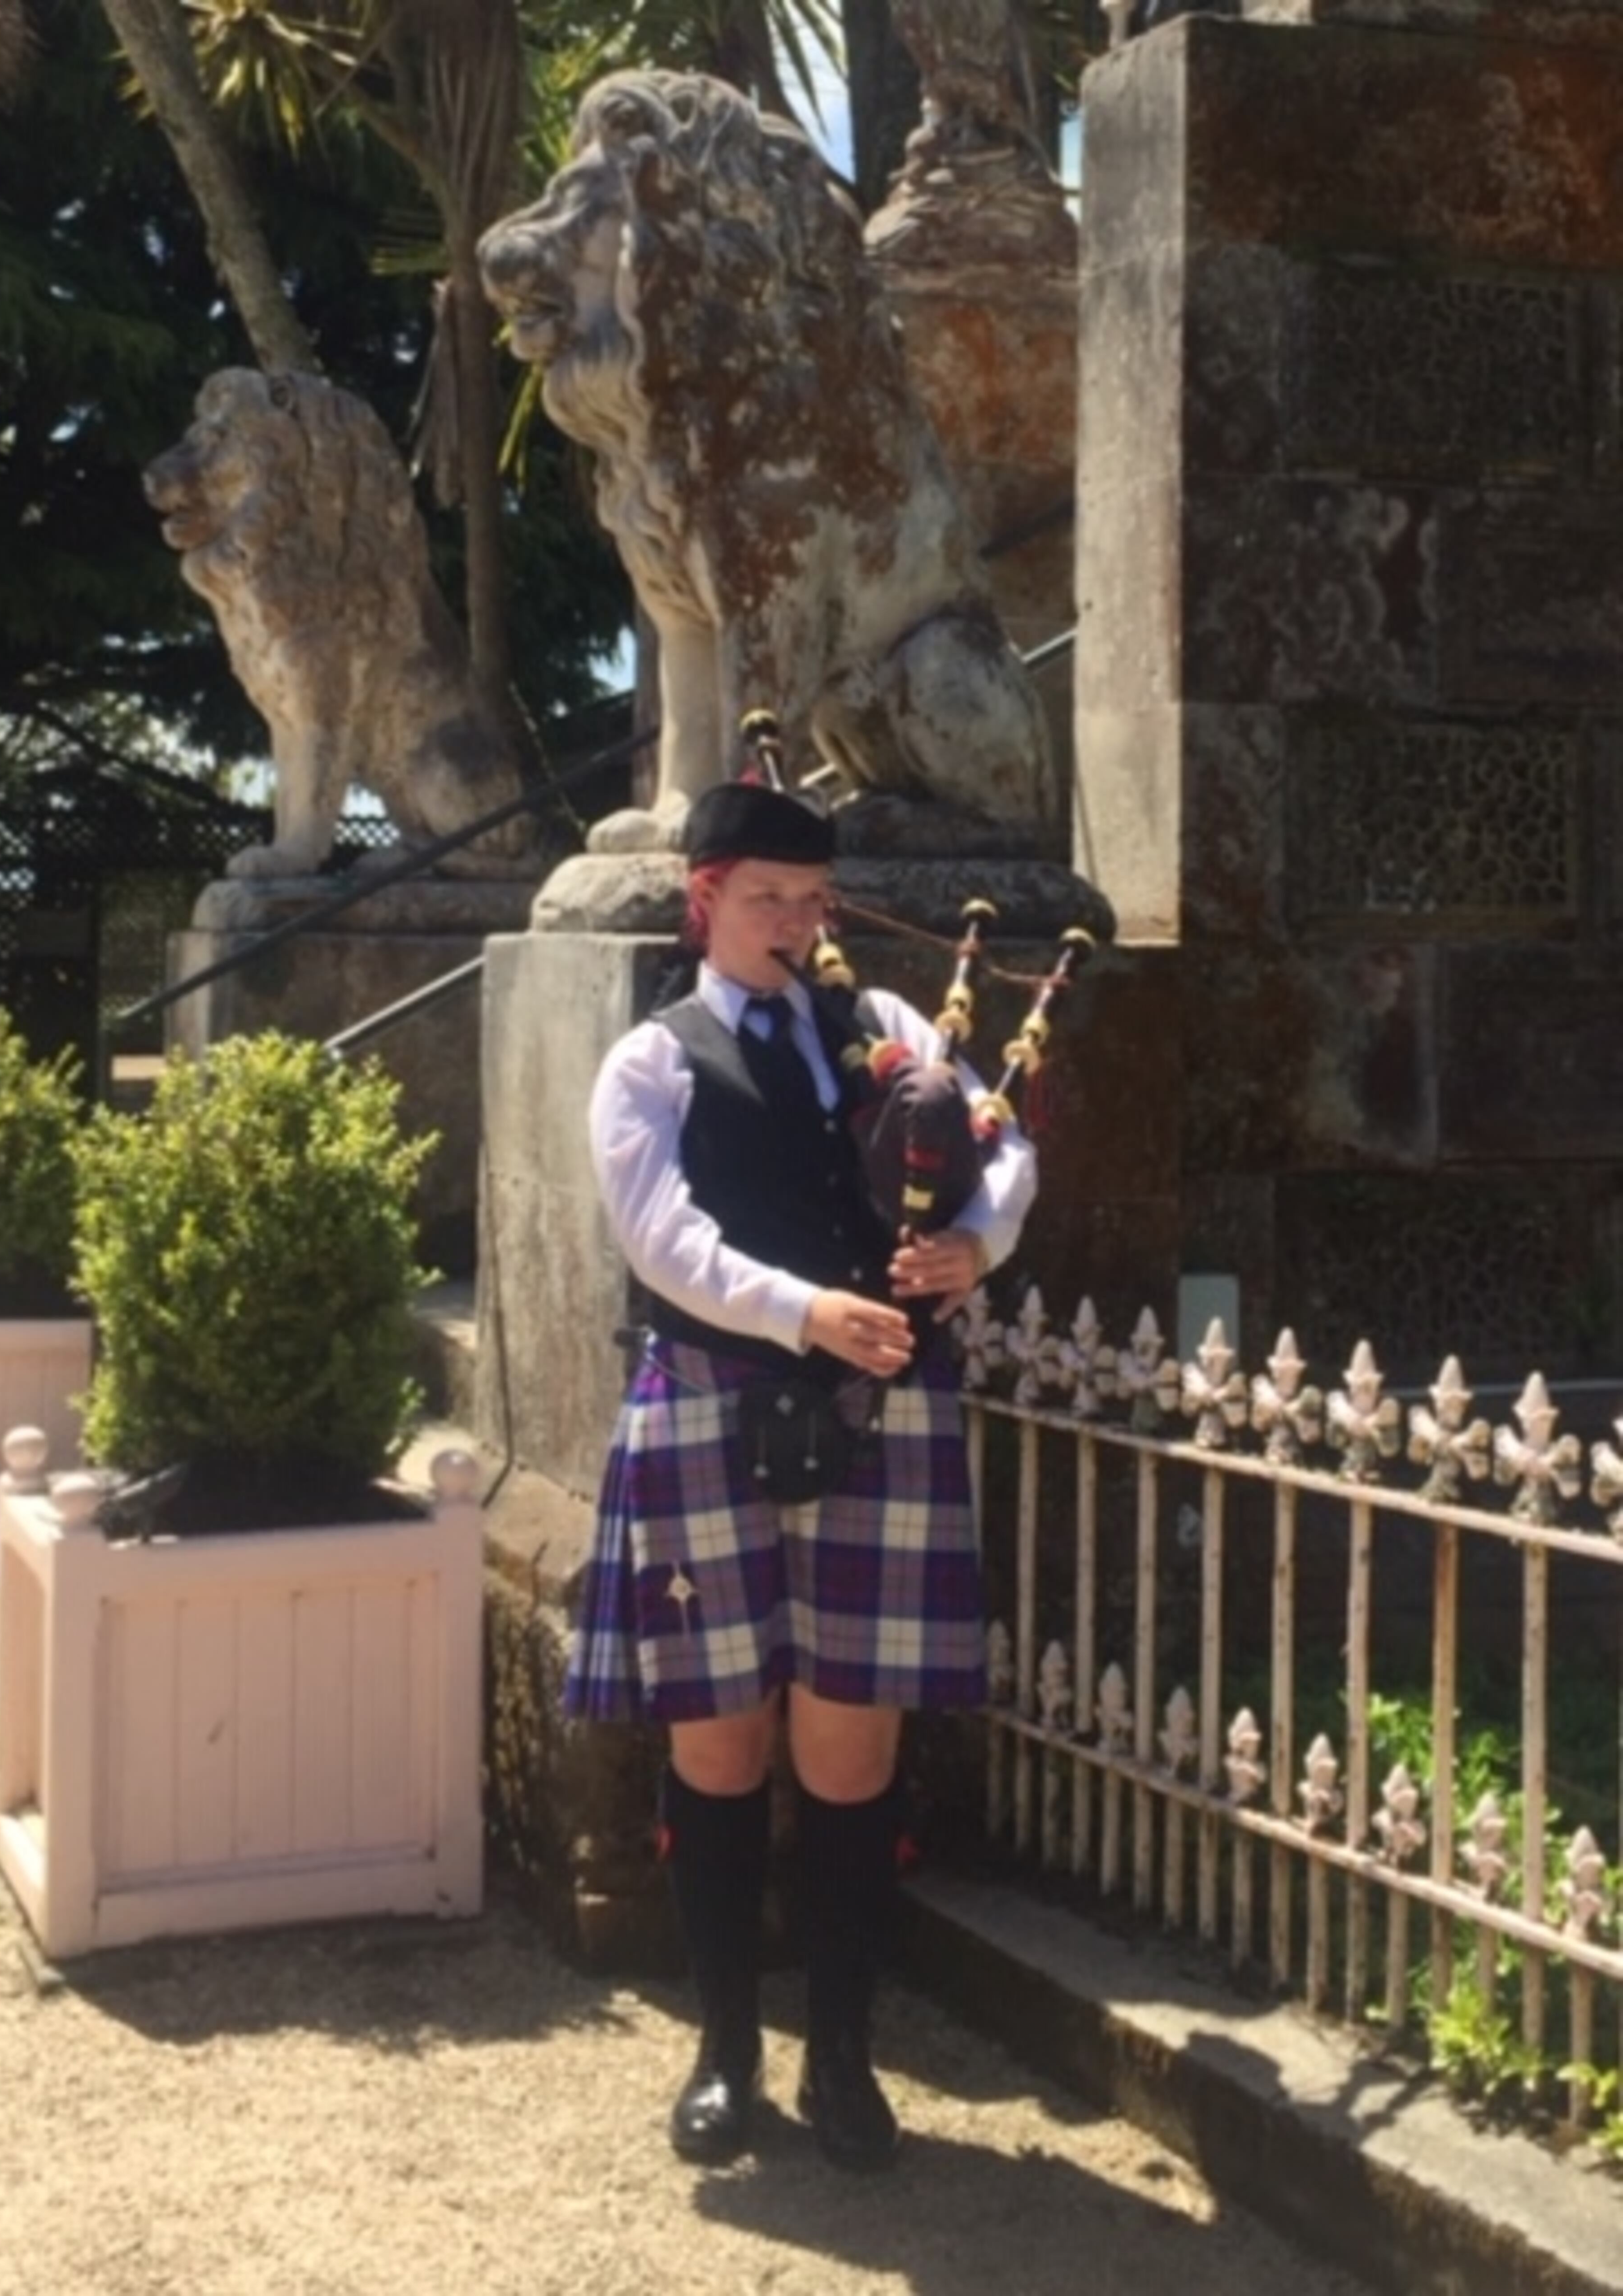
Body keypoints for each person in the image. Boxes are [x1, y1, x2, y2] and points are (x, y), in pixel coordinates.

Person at [567, 778, 1038, 2172]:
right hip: (712, 1400)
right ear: (703, 899)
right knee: (715, 1738)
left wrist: (981, 1248)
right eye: (768, 899)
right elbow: (662, 1241)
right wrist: (805, 1311)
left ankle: (842, 2059)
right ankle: (725, 2053)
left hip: (877, 1416)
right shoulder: (651, 1062)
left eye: (814, 900)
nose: (796, 923)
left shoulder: (888, 1029)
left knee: (851, 1745)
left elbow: (1002, 1147)